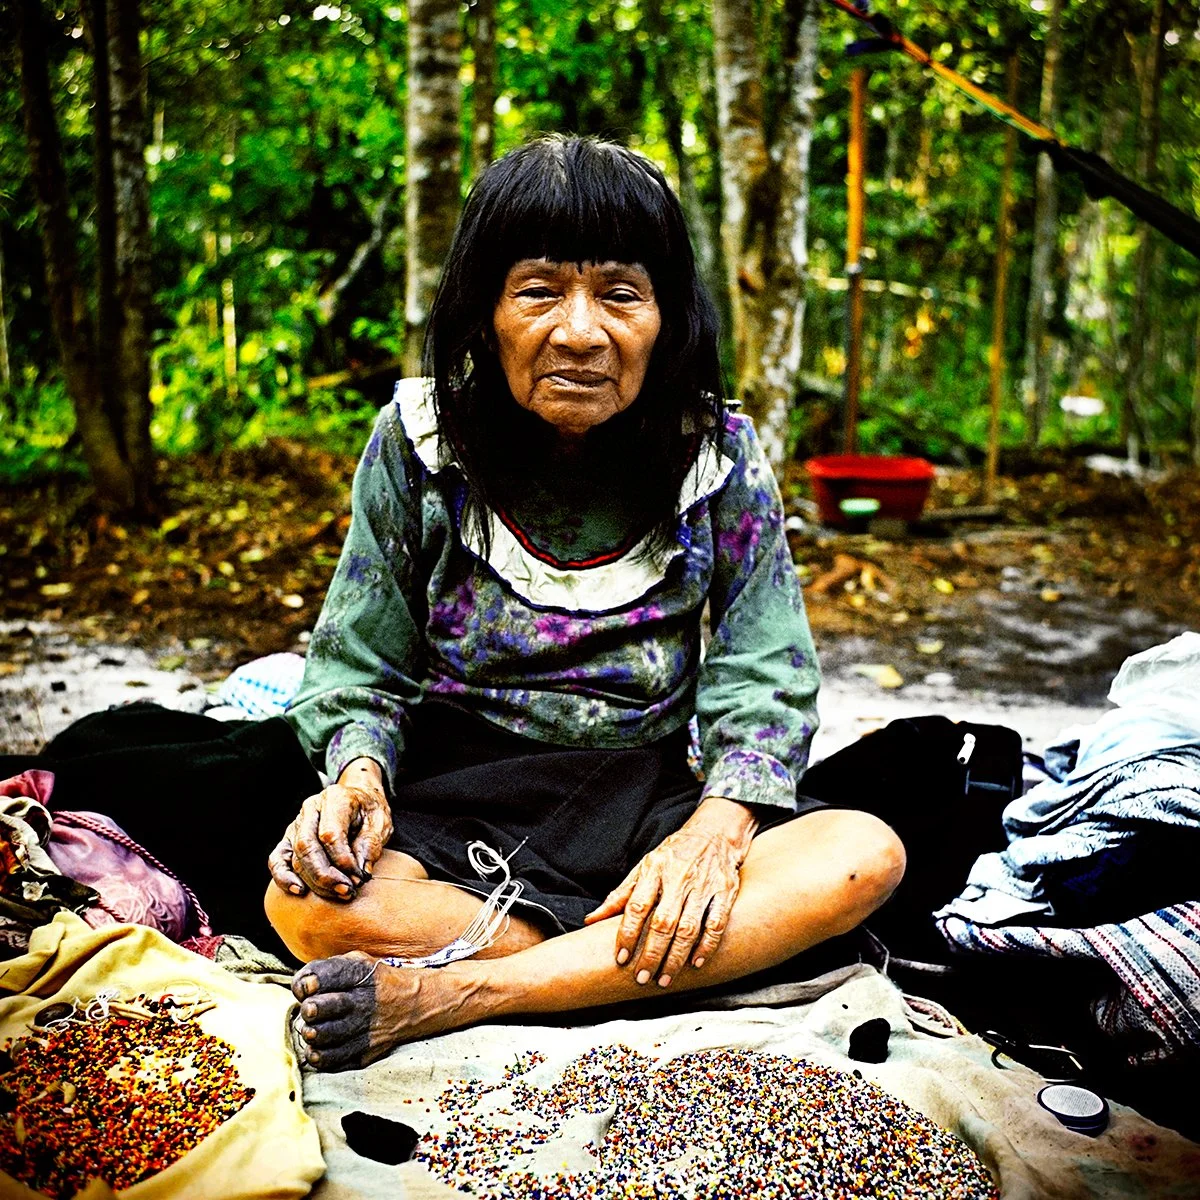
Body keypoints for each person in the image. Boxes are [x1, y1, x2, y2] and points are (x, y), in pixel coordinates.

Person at [267, 135, 905, 1072]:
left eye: (619, 292)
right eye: (537, 291)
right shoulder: (419, 443)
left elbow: (764, 671)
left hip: (643, 799)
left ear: (665, 317)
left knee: (864, 852)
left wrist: (715, 834)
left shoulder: (715, 453)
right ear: (486, 315)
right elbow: (359, 662)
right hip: (460, 802)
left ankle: (468, 990)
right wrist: (356, 781)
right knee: (309, 907)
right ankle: (649, 970)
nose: (579, 331)